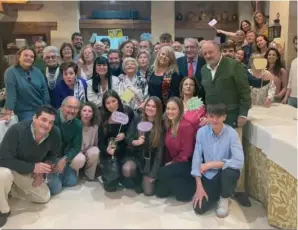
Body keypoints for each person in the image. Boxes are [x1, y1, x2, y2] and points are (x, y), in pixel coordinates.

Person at [200, 40, 251, 207]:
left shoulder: (234, 66)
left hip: (233, 117)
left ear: (219, 50)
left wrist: (243, 113)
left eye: (211, 52)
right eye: (205, 53)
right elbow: (206, 94)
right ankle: (220, 186)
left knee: (235, 155)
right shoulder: (204, 70)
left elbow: (244, 91)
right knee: (217, 154)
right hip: (212, 120)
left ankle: (238, 190)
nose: (208, 56)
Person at [0, 105, 61, 227]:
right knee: (3, 175)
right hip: (10, 167)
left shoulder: (55, 133)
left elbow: (53, 155)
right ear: (34, 118)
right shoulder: (17, 130)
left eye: (50, 122)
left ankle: (13, 189)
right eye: (43, 120)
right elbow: (3, 159)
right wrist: (33, 167)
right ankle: (3, 210)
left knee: (44, 197)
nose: (46, 125)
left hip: (29, 170)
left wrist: (42, 172)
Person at [192, 103, 244, 218]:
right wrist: (199, 186)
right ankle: (216, 194)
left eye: (218, 116)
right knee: (199, 208)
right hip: (209, 175)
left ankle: (224, 197)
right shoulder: (201, 132)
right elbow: (196, 158)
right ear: (207, 116)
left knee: (231, 170)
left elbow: (239, 161)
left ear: (224, 117)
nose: (215, 120)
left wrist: (211, 164)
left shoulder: (232, 133)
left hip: (224, 173)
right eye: (211, 116)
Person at [155, 97, 196, 202]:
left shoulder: (186, 126)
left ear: (180, 110)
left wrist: (172, 163)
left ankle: (190, 186)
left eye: (173, 109)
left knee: (162, 172)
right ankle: (181, 187)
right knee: (160, 192)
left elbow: (186, 153)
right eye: (168, 108)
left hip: (188, 163)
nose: (170, 111)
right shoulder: (169, 125)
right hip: (176, 164)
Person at [125, 97, 164, 194]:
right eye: (148, 105)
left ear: (158, 109)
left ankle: (146, 179)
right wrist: (136, 142)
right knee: (127, 169)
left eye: (153, 106)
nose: (150, 108)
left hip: (152, 161)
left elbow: (160, 154)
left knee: (148, 192)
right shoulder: (138, 119)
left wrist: (153, 174)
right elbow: (128, 138)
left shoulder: (161, 125)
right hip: (137, 157)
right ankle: (136, 180)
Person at [1, 46, 50, 122]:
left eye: (31, 57)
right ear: (19, 57)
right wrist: (8, 113)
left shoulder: (38, 72)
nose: (29, 58)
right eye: (25, 55)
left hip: (41, 109)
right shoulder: (11, 72)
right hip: (24, 113)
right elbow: (11, 94)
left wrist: (47, 109)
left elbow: (45, 92)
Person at [98, 90, 134, 192]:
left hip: (124, 151)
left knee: (129, 184)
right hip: (109, 153)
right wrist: (106, 150)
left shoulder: (127, 112)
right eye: (108, 103)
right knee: (110, 188)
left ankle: (122, 175)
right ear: (104, 105)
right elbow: (100, 142)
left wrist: (125, 135)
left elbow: (134, 134)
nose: (111, 105)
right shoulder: (103, 117)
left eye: (113, 101)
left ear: (118, 100)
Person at [47, 97, 82, 195]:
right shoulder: (51, 119)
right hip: (48, 158)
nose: (72, 111)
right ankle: (49, 176)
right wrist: (51, 161)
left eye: (76, 108)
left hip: (62, 157)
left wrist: (64, 159)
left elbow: (76, 146)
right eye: (70, 107)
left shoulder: (78, 124)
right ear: (62, 107)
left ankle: (57, 175)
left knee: (72, 182)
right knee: (56, 189)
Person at [73, 102, 100, 181]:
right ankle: (75, 174)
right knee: (79, 158)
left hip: (88, 150)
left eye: (90, 111)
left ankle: (89, 175)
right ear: (80, 112)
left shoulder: (95, 127)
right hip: (76, 152)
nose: (87, 113)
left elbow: (96, 144)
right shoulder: (74, 124)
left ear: (93, 114)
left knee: (95, 151)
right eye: (84, 110)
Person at [283, 36, 297, 107]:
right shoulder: (294, 61)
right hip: (292, 97)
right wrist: (286, 97)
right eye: (296, 43)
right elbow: (290, 81)